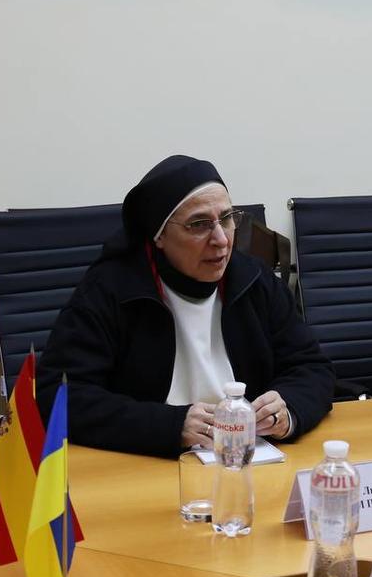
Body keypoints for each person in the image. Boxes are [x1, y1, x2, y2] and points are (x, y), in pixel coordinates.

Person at [37, 155, 334, 457]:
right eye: (199, 224)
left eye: (227, 218)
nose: (221, 240)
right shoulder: (110, 290)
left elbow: (311, 367)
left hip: (248, 458)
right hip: (147, 463)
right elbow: (60, 395)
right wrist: (169, 426)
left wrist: (287, 409)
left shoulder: (255, 280)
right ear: (160, 235)